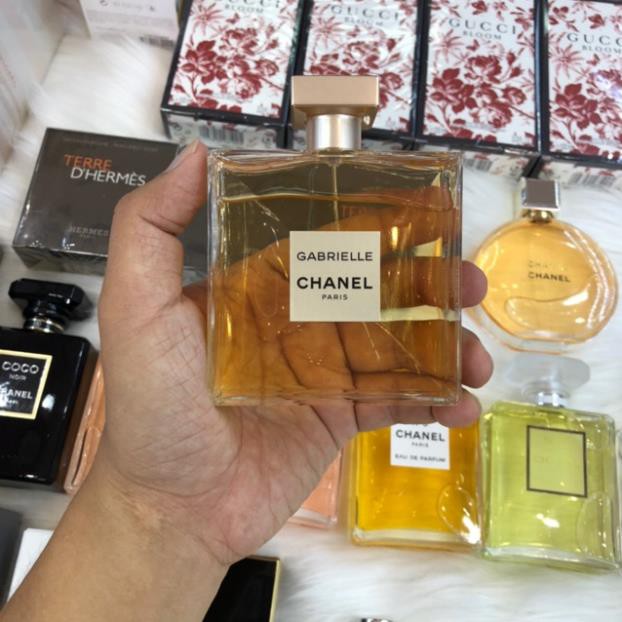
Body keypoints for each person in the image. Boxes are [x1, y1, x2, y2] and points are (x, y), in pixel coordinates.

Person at [0, 142, 492, 621]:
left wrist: (163, 514)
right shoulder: (237, 174)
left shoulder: (248, 174)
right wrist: (161, 504)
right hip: (223, 435)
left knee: (443, 335)